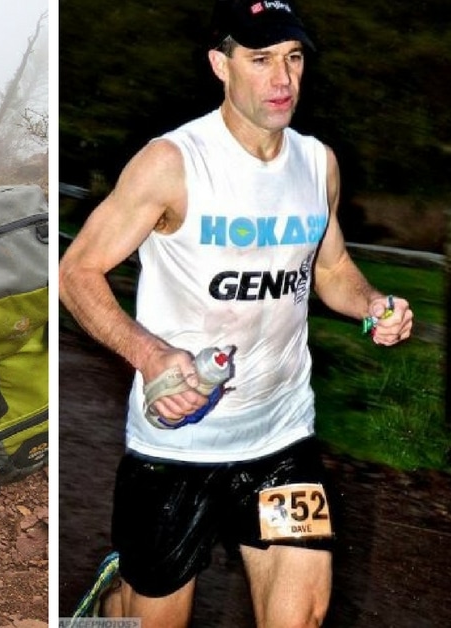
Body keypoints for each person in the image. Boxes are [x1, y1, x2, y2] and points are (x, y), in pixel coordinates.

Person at [57, 1, 414, 624]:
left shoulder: (316, 163)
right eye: (261, 59)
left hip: (281, 439)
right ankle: (112, 602)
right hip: (177, 447)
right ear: (221, 65)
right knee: (146, 618)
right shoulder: (172, 163)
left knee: (299, 617)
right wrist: (149, 354)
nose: (283, 80)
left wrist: (372, 304)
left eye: (294, 58)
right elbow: (76, 272)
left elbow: (330, 269)